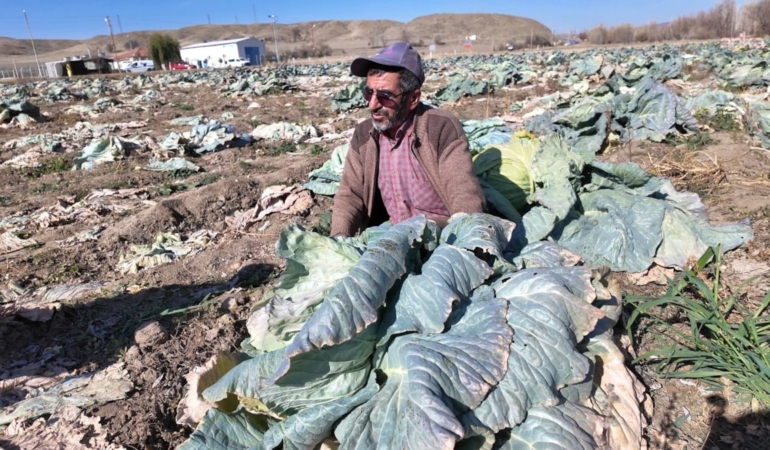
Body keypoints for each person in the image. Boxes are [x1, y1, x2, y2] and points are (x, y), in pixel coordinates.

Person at [330, 41, 485, 237]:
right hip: (391, 237)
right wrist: (338, 239)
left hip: (442, 237)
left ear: (413, 99)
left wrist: (463, 235)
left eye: (385, 96)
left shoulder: (440, 128)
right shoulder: (364, 134)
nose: (372, 105)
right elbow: (349, 195)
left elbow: (464, 192)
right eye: (369, 93)